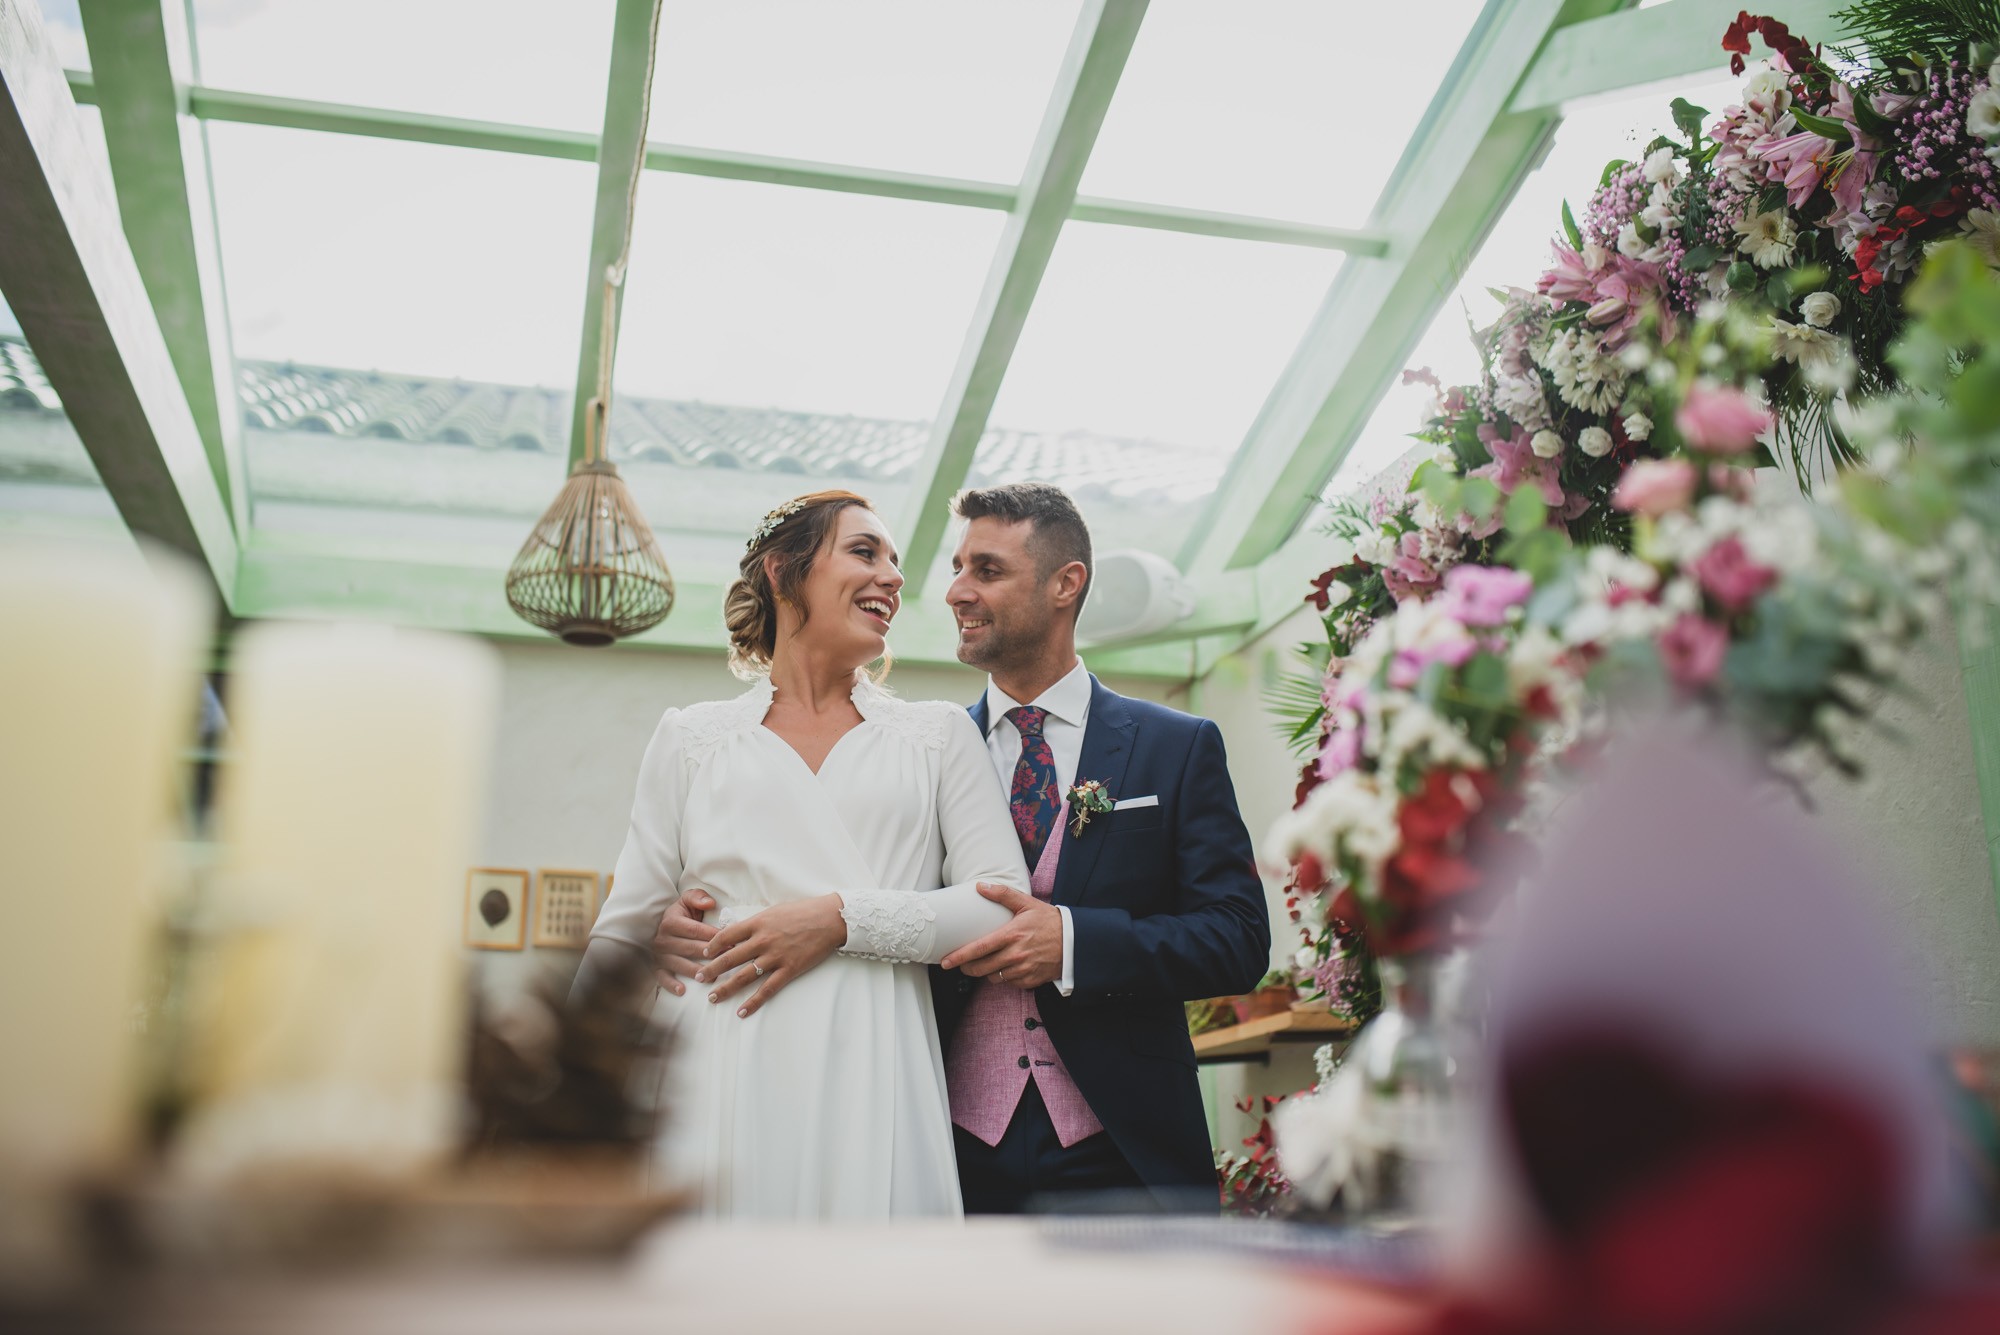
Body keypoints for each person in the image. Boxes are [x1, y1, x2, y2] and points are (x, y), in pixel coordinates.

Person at [654, 482, 1273, 1212]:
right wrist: (676, 920)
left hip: (1124, 1142)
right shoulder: (920, 752)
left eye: (986, 570)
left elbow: (1236, 938)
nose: (954, 592)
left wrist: (1074, 941)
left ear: (1065, 584)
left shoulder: (1175, 745)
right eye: (956, 568)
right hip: (944, 1136)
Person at [574, 489, 1030, 1218]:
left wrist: (842, 918)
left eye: (894, 561)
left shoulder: (938, 735)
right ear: (785, 572)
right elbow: (619, 932)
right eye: (864, 551)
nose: (893, 577)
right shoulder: (692, 737)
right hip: (720, 1062)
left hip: (877, 1061)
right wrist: (565, 1102)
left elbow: (998, 903)